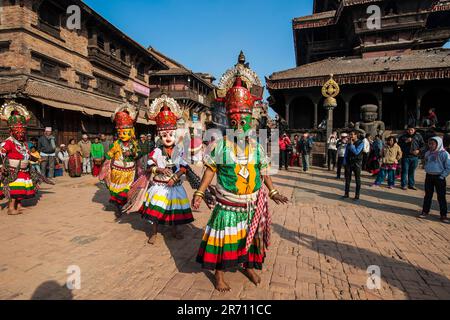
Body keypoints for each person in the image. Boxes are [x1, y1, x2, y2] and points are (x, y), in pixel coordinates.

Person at [192, 75, 289, 292]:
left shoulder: (257, 147)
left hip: (252, 205)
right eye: (234, 122)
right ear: (229, 121)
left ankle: (248, 266)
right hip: (228, 206)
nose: (239, 126)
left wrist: (272, 191)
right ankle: (219, 274)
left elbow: (263, 171)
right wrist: (199, 193)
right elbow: (209, 172)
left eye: (243, 122)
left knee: (250, 239)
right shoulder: (220, 146)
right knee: (224, 242)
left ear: (251, 123)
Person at [139, 97, 194, 243]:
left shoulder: (179, 150)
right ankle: (154, 233)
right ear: (160, 136)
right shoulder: (156, 151)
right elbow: (149, 165)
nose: (168, 137)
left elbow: (184, 167)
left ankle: (175, 230)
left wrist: (176, 177)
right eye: (164, 135)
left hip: (174, 185)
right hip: (160, 186)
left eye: (170, 134)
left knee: (174, 211)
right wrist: (160, 170)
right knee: (157, 211)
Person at [0, 101, 41, 215]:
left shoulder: (24, 143)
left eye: (22, 131)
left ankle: (18, 206)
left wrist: (36, 159)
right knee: (14, 191)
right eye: (18, 131)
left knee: (20, 190)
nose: (21, 133)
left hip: (24, 170)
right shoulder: (8, 142)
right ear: (11, 131)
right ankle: (11, 208)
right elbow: (0, 153)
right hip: (13, 170)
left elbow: (26, 155)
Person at [101, 105, 139, 218]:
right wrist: (105, 166)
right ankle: (118, 208)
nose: (123, 135)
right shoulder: (116, 144)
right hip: (117, 172)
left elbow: (137, 154)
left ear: (131, 132)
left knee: (127, 191)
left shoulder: (134, 144)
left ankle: (124, 206)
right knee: (117, 192)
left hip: (130, 172)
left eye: (125, 132)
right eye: (120, 133)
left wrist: (132, 153)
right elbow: (109, 155)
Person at [420, 137, 450, 223]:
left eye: (433, 144)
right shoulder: (428, 153)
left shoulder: (444, 154)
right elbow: (425, 162)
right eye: (430, 143)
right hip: (429, 176)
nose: (431, 145)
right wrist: (426, 168)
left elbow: (448, 167)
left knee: (441, 196)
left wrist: (442, 176)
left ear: (438, 144)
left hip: (439, 177)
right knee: (428, 195)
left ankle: (443, 215)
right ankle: (425, 211)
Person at [398, 126, 425, 191]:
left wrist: (419, 150)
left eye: (412, 130)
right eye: (409, 130)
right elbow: (398, 145)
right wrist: (406, 141)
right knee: (404, 171)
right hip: (406, 156)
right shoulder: (403, 137)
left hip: (415, 157)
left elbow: (423, 145)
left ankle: (411, 185)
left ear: (414, 130)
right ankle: (404, 185)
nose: (410, 131)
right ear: (407, 130)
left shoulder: (418, 136)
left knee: (412, 171)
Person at [343, 131, 364, 200]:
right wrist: (344, 161)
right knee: (347, 179)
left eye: (352, 134)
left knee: (357, 180)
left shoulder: (361, 143)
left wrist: (352, 145)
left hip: (356, 163)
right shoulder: (349, 143)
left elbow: (356, 152)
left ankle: (357, 195)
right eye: (350, 134)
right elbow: (346, 153)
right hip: (349, 163)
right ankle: (346, 194)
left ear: (356, 135)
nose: (351, 136)